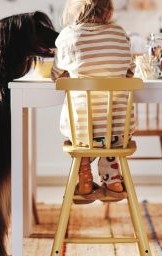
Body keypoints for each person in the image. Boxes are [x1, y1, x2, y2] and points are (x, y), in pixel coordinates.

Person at [51, 0, 136, 198]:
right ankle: (113, 177)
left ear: (74, 12)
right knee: (110, 130)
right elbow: (130, 72)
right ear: (108, 12)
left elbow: (56, 76)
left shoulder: (68, 36)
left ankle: (84, 174)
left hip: (82, 132)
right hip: (118, 133)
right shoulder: (119, 34)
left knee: (85, 130)